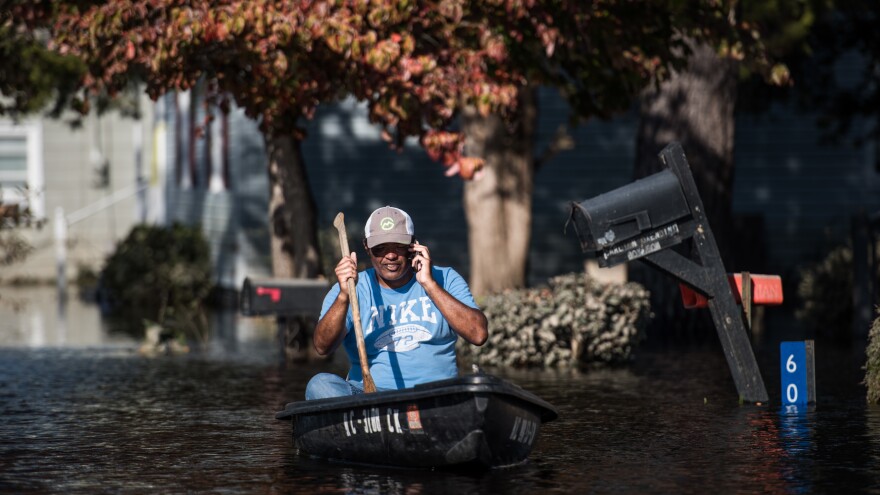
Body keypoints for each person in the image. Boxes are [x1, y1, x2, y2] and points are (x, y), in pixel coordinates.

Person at [305, 206, 488, 400]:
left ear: (413, 246)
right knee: (320, 385)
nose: (390, 255)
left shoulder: (445, 278)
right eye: (380, 248)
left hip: (436, 396)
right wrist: (343, 296)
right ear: (367, 248)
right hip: (370, 398)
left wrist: (429, 284)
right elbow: (322, 347)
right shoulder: (350, 288)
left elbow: (478, 334)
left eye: (398, 246)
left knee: (480, 385)